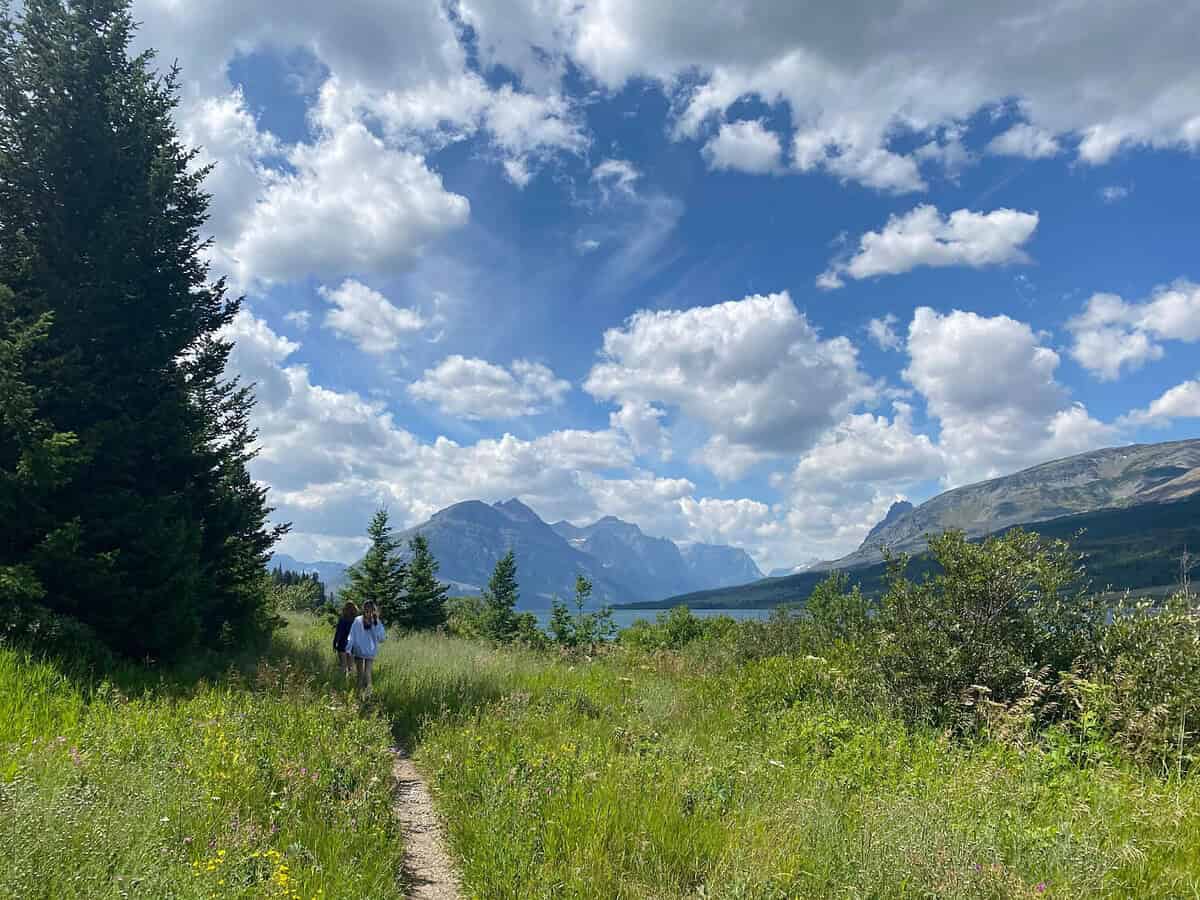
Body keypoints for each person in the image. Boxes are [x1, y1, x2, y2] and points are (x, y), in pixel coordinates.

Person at [346, 601, 386, 696]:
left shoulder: (357, 620)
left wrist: (348, 648)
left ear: (364, 609)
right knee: (368, 672)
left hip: (359, 650)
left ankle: (358, 694)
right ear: (373, 609)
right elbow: (382, 638)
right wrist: (374, 627)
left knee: (360, 673)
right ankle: (368, 694)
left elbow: (351, 635)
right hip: (370, 651)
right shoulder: (376, 621)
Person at [332, 600, 358, 677]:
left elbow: (339, 633)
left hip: (342, 644)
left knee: (343, 665)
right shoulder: (356, 621)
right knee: (351, 666)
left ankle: (342, 682)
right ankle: (350, 683)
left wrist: (334, 643)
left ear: (345, 609)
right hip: (352, 646)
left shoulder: (342, 619)